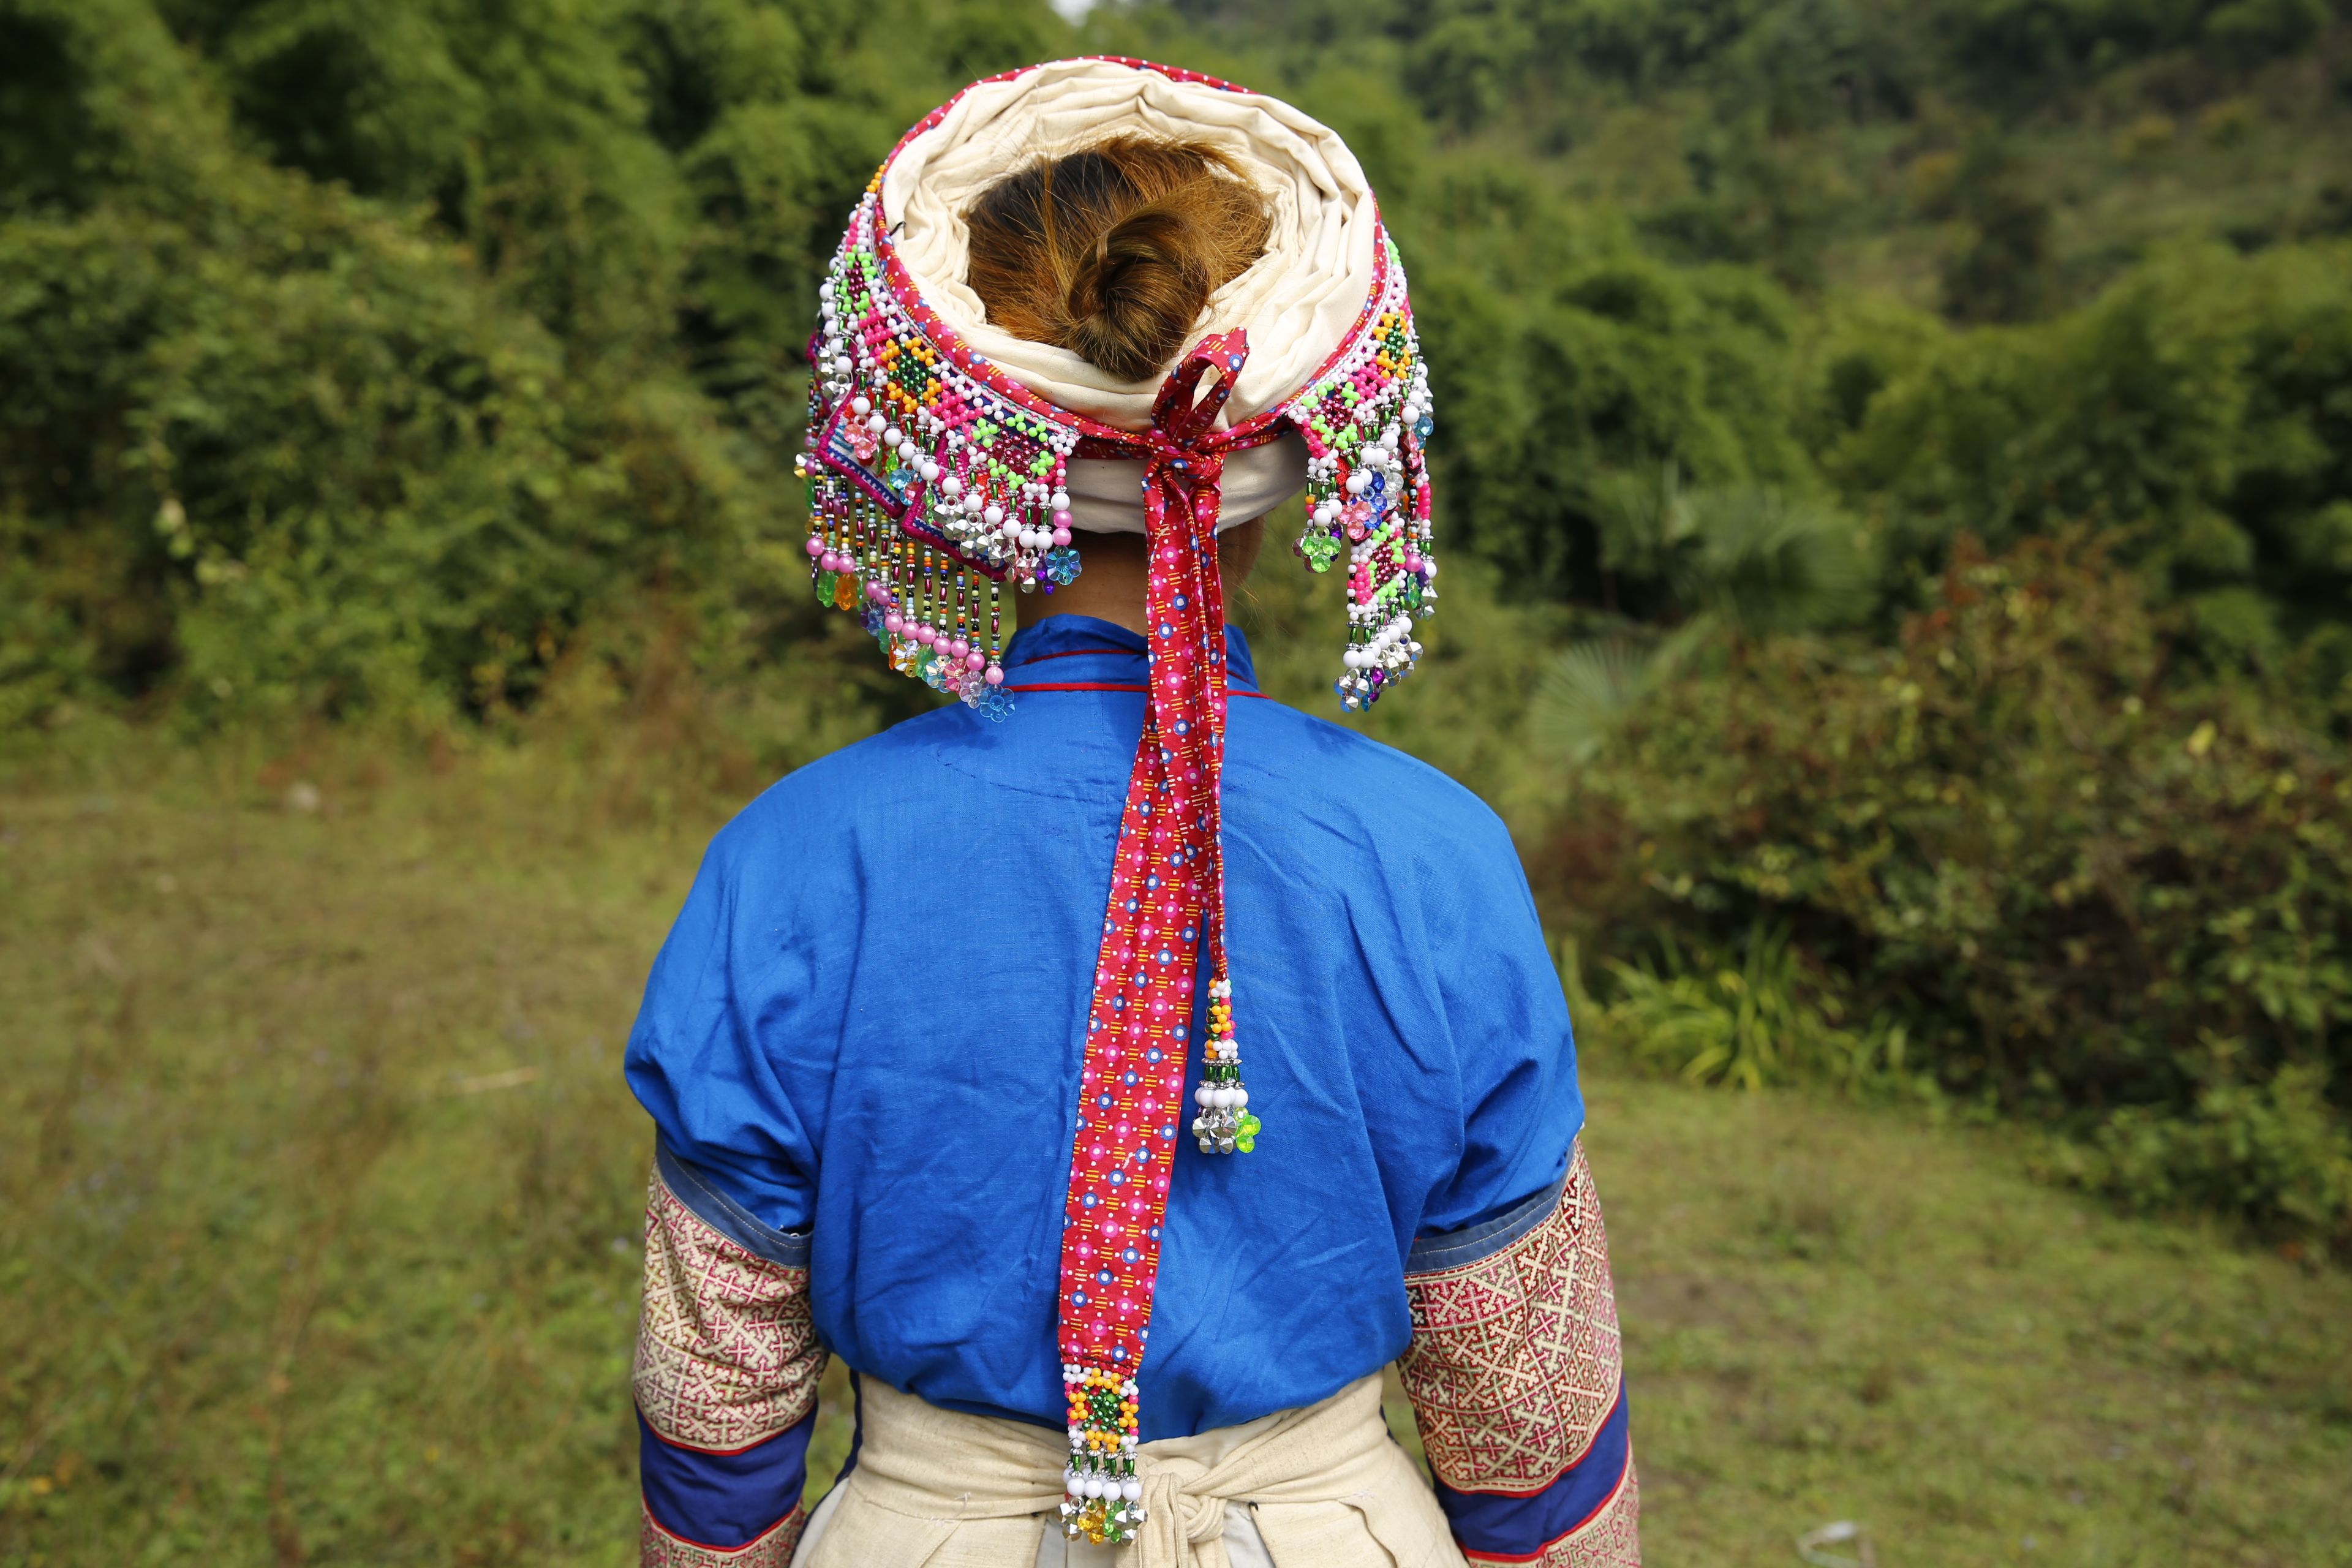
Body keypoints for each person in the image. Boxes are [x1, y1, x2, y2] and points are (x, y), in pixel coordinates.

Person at [624, 57, 1638, 1568]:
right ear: (1281, 474)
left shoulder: (793, 854)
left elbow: (719, 1389)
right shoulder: (1436, 852)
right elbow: (1523, 1407)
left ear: (957, 471)